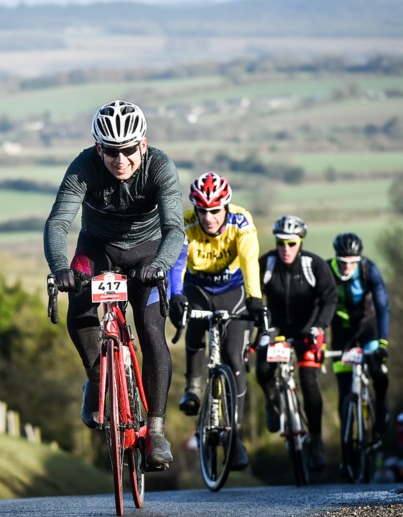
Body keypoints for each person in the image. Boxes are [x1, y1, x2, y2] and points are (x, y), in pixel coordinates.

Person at [43, 99, 184, 470]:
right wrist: (60, 267)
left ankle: (155, 431)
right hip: (97, 249)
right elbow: (58, 223)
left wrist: (161, 265)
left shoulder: (160, 167)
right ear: (97, 148)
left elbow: (174, 229)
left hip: (148, 254)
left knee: (152, 330)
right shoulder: (83, 167)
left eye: (128, 150)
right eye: (111, 152)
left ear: (143, 143)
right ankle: (96, 377)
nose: (120, 160)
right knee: (80, 309)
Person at [167, 171, 266, 471]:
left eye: (215, 210)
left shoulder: (241, 222)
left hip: (233, 291)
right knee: (194, 329)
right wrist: (175, 296)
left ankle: (235, 436)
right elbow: (177, 264)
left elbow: (250, 261)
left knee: (235, 358)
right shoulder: (186, 223)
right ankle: (194, 387)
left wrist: (256, 299)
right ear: (195, 208)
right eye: (203, 210)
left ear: (226, 206)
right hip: (198, 288)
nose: (209, 217)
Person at [254, 215, 337, 470]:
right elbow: (252, 295)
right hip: (277, 327)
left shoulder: (315, 265)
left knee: (310, 382)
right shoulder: (266, 264)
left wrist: (319, 326)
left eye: (291, 243)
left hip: (307, 328)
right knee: (263, 369)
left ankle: (317, 442)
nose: (285, 249)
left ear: (300, 242)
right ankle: (272, 401)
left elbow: (329, 299)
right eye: (281, 243)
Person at [326, 232, 391, 471]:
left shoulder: (368, 270)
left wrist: (382, 343)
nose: (347, 267)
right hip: (341, 333)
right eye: (343, 262)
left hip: (368, 329)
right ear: (336, 258)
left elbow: (383, 305)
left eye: (352, 262)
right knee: (344, 393)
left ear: (359, 260)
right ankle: (347, 455)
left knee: (378, 372)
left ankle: (381, 406)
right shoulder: (326, 270)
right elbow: (318, 306)